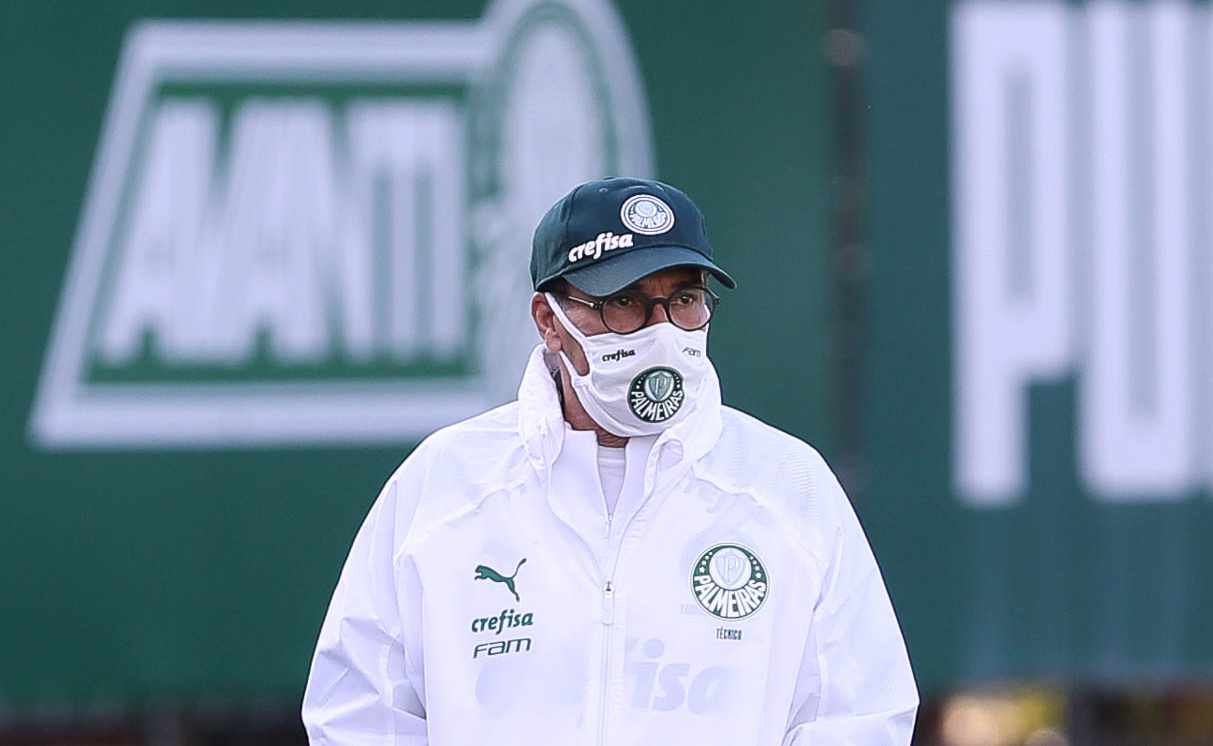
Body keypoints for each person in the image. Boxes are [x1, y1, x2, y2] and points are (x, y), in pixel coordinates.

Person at [302, 177, 918, 744]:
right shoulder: (446, 486)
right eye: (624, 302)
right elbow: (358, 711)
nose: (660, 330)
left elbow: (861, 715)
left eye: (683, 300)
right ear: (549, 318)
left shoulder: (786, 485)